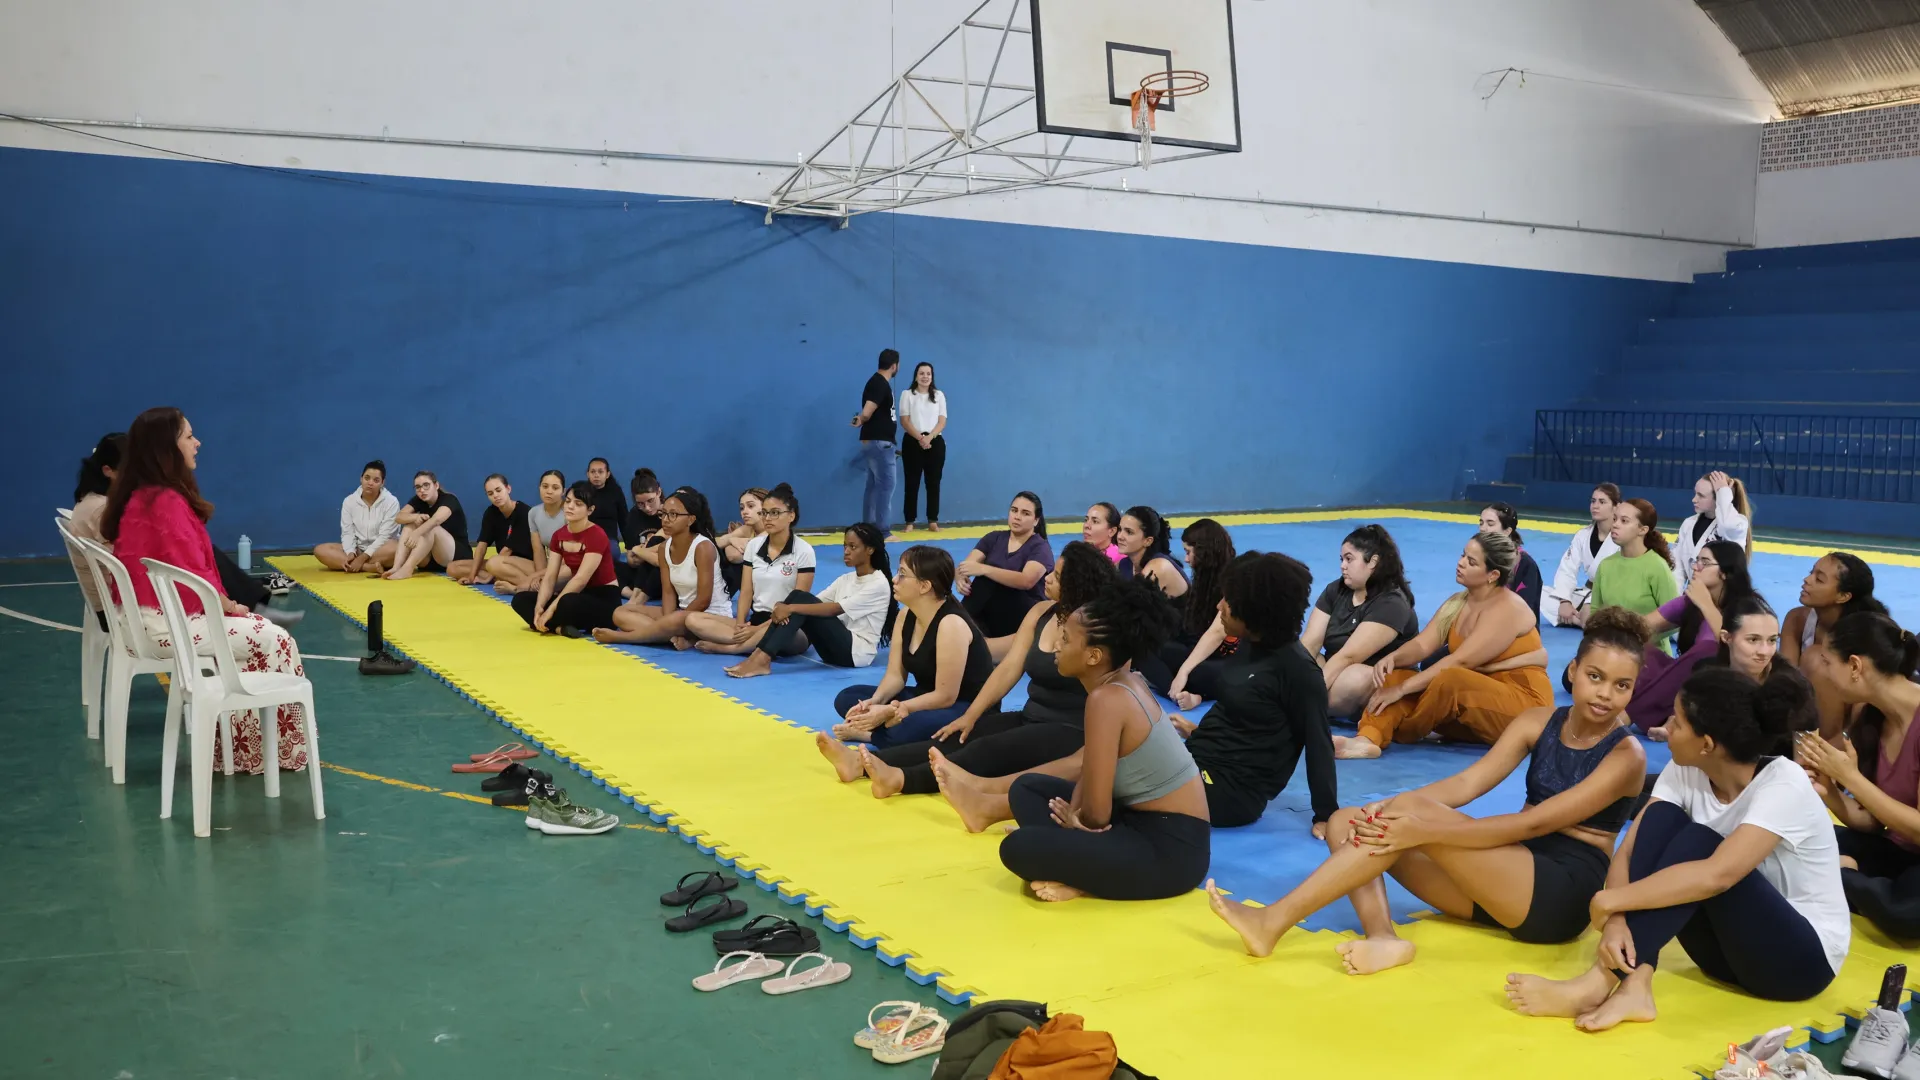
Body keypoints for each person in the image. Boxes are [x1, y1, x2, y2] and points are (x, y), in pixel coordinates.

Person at [1208, 609, 1652, 972]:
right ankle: (1384, 937)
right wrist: (1386, 808)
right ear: (1573, 671)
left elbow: (1533, 822)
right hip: (1503, 874)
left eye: (1622, 685)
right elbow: (1467, 783)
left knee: (1410, 815)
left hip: (1558, 896)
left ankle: (1274, 920)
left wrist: (1421, 829)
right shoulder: (1538, 722)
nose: (1605, 694)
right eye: (1595, 676)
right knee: (1347, 822)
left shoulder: (1626, 755)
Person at [1507, 667, 1845, 1031]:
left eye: (1679, 722)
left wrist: (1613, 900)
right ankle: (1636, 985)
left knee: (1701, 843)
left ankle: (1597, 983)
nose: (1667, 727)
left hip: (1799, 964)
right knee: (1663, 819)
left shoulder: (1785, 783)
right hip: (1723, 956)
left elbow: (1718, 876)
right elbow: (1630, 850)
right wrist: (1616, 920)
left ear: (1707, 744)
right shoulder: (1686, 766)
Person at [101, 407, 307, 774]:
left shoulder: (142, 496)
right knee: (277, 640)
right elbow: (191, 578)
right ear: (167, 448)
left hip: (144, 621)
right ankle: (273, 752)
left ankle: (243, 750)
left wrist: (230, 606)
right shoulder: (164, 502)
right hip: (165, 626)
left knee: (258, 631)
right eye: (188, 436)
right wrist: (229, 605)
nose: (197, 443)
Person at [823, 541, 1114, 798]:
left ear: (1077, 586)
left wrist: (898, 709)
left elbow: (1113, 688)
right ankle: (859, 763)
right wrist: (970, 717)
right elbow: (1008, 669)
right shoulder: (1041, 612)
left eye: (1057, 576)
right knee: (955, 737)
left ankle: (900, 779)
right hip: (1030, 716)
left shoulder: (1098, 630)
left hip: (1070, 728)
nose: (1047, 578)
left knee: (984, 751)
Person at [993, 578, 1211, 903]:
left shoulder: (1107, 699)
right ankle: (1077, 865)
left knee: (1016, 847)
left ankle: (1079, 877)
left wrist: (1075, 821)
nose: (1056, 646)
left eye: (1066, 639)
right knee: (1027, 789)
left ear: (1094, 656)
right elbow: (1091, 773)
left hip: (1171, 851)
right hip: (1133, 821)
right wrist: (1074, 816)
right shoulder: (1121, 682)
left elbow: (1097, 816)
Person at [1336, 531, 1551, 759]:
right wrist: (1394, 658)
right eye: (1462, 555)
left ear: (1493, 575)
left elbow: (1460, 661)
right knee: (1396, 676)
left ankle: (1403, 728)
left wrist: (1402, 691)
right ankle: (1367, 739)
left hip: (1522, 709)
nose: (1461, 563)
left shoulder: (1508, 608)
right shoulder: (1457, 602)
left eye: (1471, 562)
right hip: (1471, 702)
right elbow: (1422, 645)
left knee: (1447, 680)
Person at [1175, 552, 1338, 831]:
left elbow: (1319, 745)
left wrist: (1326, 815)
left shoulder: (1299, 671)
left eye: (1228, 601)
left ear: (1253, 611)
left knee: (1131, 783)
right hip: (1199, 759)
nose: (1219, 606)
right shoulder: (1249, 644)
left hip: (1233, 792)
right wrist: (1197, 732)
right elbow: (1242, 715)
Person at [1797, 612, 1920, 941]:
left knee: (1903, 914)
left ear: (1854, 665)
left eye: (1827, 662)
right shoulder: (1872, 715)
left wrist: (1850, 778)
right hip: (1898, 851)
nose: (1823, 673)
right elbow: (1874, 823)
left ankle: (1839, 876)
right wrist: (1830, 790)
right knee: (1790, 839)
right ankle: (1847, 879)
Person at [825, 546, 994, 750]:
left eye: (902, 574)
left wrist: (895, 710)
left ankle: (871, 735)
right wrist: (875, 702)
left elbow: (945, 696)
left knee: (907, 728)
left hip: (964, 706)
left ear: (924, 586)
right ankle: (882, 726)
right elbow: (895, 676)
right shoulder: (905, 615)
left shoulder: (951, 624)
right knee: (848, 698)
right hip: (924, 697)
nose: (894, 580)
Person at [723, 522, 895, 679]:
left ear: (870, 550)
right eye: (845, 546)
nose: (846, 551)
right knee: (798, 598)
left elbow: (835, 609)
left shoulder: (878, 583)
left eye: (853, 546)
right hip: (830, 651)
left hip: (855, 654)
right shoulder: (846, 579)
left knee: (799, 602)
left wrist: (790, 608)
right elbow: (813, 601)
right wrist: (784, 608)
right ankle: (759, 656)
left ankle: (761, 658)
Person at [1631, 540, 1756, 738]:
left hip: (1724, 690)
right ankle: (1673, 718)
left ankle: (1630, 714)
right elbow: (1640, 626)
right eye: (1696, 561)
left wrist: (1706, 604)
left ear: (1725, 573)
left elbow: (1734, 649)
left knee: (1706, 651)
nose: (1696, 567)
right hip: (1686, 685)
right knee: (1638, 650)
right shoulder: (1690, 602)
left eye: (1705, 562)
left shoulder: (1747, 608)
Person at [1300, 524, 1421, 719]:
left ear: (1373, 562)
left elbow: (1349, 656)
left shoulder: (1391, 602)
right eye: (1341, 559)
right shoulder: (1335, 589)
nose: (1342, 566)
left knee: (1355, 676)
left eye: (1349, 559)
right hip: (1336, 670)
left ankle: (1304, 705)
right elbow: (1310, 643)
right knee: (1304, 658)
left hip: (1375, 678)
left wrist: (1303, 698)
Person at [591, 488, 731, 647]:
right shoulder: (664, 548)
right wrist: (669, 620)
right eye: (663, 514)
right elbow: (668, 593)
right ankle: (670, 636)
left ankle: (624, 637)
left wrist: (674, 620)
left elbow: (703, 600)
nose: (665, 520)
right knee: (620, 613)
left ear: (690, 519)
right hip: (681, 613)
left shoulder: (703, 547)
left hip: (708, 617)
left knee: (682, 619)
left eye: (673, 515)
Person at [688, 484, 815, 655]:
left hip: (788, 623)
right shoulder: (754, 546)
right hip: (757, 620)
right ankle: (747, 641)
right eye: (765, 513)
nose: (768, 518)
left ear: (791, 516)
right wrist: (740, 625)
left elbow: (797, 604)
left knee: (778, 630)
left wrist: (755, 630)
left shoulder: (804, 550)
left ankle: (731, 648)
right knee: (692, 619)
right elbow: (746, 592)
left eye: (775, 513)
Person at [511, 482, 622, 636]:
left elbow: (580, 579)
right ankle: (558, 628)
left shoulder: (597, 534)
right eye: (568, 501)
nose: (570, 507)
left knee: (566, 602)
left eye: (578, 504)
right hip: (579, 595)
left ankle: (550, 625)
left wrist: (550, 610)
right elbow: (550, 577)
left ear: (590, 510)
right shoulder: (559, 535)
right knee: (520, 599)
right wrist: (539, 606)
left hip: (604, 598)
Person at [1158, 519, 1238, 708]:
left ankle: (1187, 692)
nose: (1186, 559)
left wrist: (1183, 671)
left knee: (1207, 674)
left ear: (1205, 552)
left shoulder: (1234, 581)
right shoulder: (1205, 580)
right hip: (1205, 654)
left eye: (1188, 552)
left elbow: (1216, 633)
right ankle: (1185, 692)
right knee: (1151, 646)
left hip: (1230, 662)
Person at [957, 491, 1055, 641]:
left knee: (987, 580)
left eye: (1025, 513)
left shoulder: (1040, 547)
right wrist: (960, 578)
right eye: (1014, 510)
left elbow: (1026, 581)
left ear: (1036, 520)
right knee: (981, 584)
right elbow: (966, 566)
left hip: (1024, 615)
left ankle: (958, 623)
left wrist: (984, 569)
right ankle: (960, 627)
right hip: (993, 613)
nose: (1017, 517)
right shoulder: (993, 538)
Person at [1782, 551, 1885, 667]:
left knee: (1814, 658)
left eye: (1819, 579)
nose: (1807, 579)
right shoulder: (1797, 619)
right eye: (1811, 572)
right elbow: (1786, 673)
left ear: (1843, 596)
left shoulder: (1865, 637)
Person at [448, 474, 546, 594]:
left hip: (527, 565)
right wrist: (471, 577)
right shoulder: (491, 513)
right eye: (490, 493)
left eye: (498, 490)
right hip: (502, 562)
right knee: (453, 568)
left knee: (493, 563)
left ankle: (531, 586)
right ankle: (502, 577)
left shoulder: (524, 512)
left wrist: (487, 578)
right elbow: (481, 546)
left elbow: (507, 551)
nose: (495, 495)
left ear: (508, 489)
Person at [1588, 498, 1679, 625]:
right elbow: (1595, 612)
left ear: (1643, 530)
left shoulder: (1657, 567)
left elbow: (1673, 618)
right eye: (1614, 519)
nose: (1615, 525)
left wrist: (1636, 632)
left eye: (1624, 521)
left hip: (1648, 639)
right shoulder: (1605, 565)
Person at [67, 432, 126, 624]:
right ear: (108, 470)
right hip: (113, 608)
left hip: (104, 601)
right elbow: (128, 562)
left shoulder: (91, 498)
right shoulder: (102, 509)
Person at [1545, 483, 1621, 628]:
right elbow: (1567, 569)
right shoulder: (1583, 535)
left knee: (1592, 608)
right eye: (1593, 501)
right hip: (1587, 593)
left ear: (1616, 507)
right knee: (1541, 594)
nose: (1595, 506)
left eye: (1602, 502)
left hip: (1610, 595)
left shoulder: (1622, 537)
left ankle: (1579, 620)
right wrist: (1565, 601)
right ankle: (1582, 620)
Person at [313, 460, 400, 573]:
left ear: (382, 483)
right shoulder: (349, 501)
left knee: (397, 548)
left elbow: (385, 536)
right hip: (358, 549)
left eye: (376, 480)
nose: (370, 483)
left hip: (381, 550)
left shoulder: (391, 502)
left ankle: (352, 565)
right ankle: (367, 567)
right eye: (367, 478)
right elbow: (347, 532)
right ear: (361, 478)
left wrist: (363, 557)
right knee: (320, 550)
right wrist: (350, 552)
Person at [383, 471, 471, 581]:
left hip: (455, 557)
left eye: (426, 485)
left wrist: (417, 533)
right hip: (431, 559)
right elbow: (399, 517)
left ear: (436, 485)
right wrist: (415, 517)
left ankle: (407, 569)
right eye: (418, 487)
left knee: (431, 528)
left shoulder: (449, 499)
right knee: (409, 525)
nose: (422, 490)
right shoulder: (419, 500)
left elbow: (436, 520)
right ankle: (396, 567)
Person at [1673, 471, 1753, 587]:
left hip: (1724, 596)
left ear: (1718, 499)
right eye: (1695, 494)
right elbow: (1677, 567)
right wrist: (1676, 596)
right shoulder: (1688, 524)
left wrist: (1723, 492)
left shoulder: (1737, 525)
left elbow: (1727, 525)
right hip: (1694, 593)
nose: (1694, 499)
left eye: (1701, 495)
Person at [852, 348, 900, 535]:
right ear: (894, 366)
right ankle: (882, 531)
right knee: (886, 487)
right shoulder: (880, 383)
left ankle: (868, 529)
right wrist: (863, 418)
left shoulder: (875, 382)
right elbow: (867, 411)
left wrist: (861, 419)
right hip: (881, 443)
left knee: (873, 486)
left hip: (873, 442)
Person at [899, 361, 947, 532]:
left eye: (928, 374)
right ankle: (909, 521)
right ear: (916, 376)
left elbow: (942, 421)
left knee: (933, 482)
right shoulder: (907, 394)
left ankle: (933, 520)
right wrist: (920, 438)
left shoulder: (939, 395)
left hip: (935, 441)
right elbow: (904, 421)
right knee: (911, 482)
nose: (925, 377)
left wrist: (929, 437)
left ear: (932, 377)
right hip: (913, 442)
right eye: (921, 373)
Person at [1480, 502, 1543, 620]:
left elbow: (1525, 610)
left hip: (1515, 624)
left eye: (1490, 523)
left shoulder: (1524, 563)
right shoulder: (1480, 556)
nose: (1483, 528)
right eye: (1481, 523)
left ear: (1507, 531)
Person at [1116, 506, 1187, 600]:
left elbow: (1133, 604)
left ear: (1148, 541)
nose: (1120, 536)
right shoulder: (1124, 565)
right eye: (1120, 529)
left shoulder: (1159, 566)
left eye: (1129, 532)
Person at [622, 468, 667, 601]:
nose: (647, 508)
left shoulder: (670, 512)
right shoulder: (633, 516)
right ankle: (631, 594)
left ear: (659, 492)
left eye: (650, 501)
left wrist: (642, 551)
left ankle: (638, 596)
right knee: (610, 567)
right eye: (640, 504)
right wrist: (635, 558)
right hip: (641, 569)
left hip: (663, 568)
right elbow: (630, 557)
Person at [582, 457, 627, 550]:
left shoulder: (616, 492)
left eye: (600, 472)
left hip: (609, 538)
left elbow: (624, 520)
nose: (596, 475)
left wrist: (629, 545)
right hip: (585, 537)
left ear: (607, 474)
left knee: (611, 551)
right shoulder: (582, 492)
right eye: (593, 472)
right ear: (588, 474)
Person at [527, 470, 568, 551]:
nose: (549, 492)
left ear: (563, 491)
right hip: (551, 557)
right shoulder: (534, 512)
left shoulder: (570, 512)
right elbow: (538, 549)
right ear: (539, 488)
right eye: (545, 486)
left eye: (555, 488)